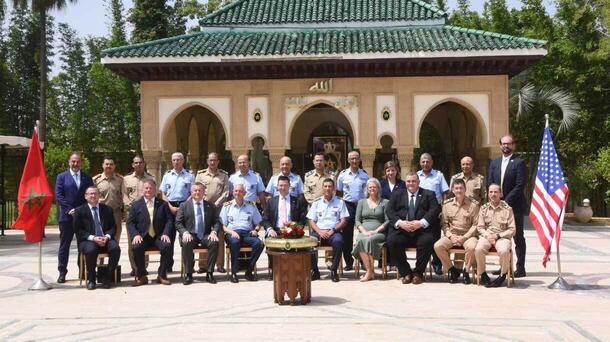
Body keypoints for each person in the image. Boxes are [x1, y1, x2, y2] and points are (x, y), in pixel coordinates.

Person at [386, 172, 440, 285]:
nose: (411, 183)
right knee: (392, 240)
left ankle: (418, 274)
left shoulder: (428, 194)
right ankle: (405, 272)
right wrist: (400, 223)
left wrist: (421, 223)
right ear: (405, 183)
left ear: (418, 182)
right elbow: (389, 211)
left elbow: (434, 210)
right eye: (408, 181)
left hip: (421, 230)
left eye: (413, 181)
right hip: (402, 230)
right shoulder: (397, 194)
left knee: (427, 241)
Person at [488, 134, 526, 278]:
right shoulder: (494, 163)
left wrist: (506, 201)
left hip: (514, 206)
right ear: (500, 145)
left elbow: (520, 185)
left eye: (509, 144)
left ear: (513, 145)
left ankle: (520, 268)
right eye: (503, 143)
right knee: (500, 237)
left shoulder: (519, 162)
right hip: (497, 207)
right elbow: (490, 182)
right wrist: (495, 200)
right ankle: (503, 267)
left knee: (518, 237)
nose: (506, 146)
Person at [54, 152, 94, 283]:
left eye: (78, 161)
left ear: (80, 163)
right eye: (73, 161)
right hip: (66, 217)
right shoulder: (62, 177)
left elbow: (90, 195)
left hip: (83, 218)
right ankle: (62, 272)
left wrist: (81, 211)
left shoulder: (87, 178)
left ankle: (83, 271)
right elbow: (59, 196)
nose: (75, 164)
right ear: (69, 162)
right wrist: (69, 209)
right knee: (64, 245)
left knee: (83, 245)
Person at [127, 179, 173, 286]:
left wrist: (166, 233)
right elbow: (130, 223)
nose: (149, 190)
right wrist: (136, 235)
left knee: (167, 246)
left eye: (151, 188)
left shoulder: (163, 204)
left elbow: (169, 221)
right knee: (136, 247)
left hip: (158, 236)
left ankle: (162, 275)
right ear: (142, 189)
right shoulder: (135, 205)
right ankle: (142, 276)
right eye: (146, 188)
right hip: (143, 236)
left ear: (155, 189)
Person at [73, 187, 121, 290]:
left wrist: (107, 237)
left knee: (115, 248)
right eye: (90, 194)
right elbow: (78, 230)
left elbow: (113, 227)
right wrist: (93, 238)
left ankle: (107, 277)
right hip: (88, 240)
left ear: (99, 195)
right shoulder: (79, 211)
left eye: (95, 193)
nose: (93, 196)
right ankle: (91, 279)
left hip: (105, 238)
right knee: (91, 250)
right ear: (85, 196)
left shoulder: (107, 209)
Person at [433, 179, 479, 284]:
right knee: (438, 246)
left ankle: (466, 271)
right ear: (453, 190)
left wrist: (465, 237)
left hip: (468, 235)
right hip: (452, 235)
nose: (459, 190)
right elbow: (444, 224)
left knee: (472, 247)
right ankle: (452, 269)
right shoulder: (447, 204)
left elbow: (476, 224)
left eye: (461, 188)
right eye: (456, 188)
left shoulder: (474, 205)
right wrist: (450, 236)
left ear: (465, 189)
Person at [261, 175, 307, 279]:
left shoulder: (297, 201)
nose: (283, 188)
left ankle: (294, 270)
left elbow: (303, 219)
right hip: (276, 230)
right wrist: (270, 229)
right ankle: (274, 270)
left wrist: (296, 229)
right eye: (280, 185)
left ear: (289, 186)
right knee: (270, 242)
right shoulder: (271, 201)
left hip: (292, 230)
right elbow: (265, 219)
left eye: (285, 185)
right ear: (277, 187)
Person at [175, 182, 221, 285]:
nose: (197, 192)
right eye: (195, 190)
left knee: (214, 243)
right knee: (186, 243)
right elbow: (178, 222)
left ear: (204, 192)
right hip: (190, 234)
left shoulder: (210, 205)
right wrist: (184, 233)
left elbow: (217, 222)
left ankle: (209, 273)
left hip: (205, 234)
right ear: (191, 192)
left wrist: (214, 232)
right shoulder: (184, 206)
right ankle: (188, 274)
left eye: (199, 190)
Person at [307, 178, 349, 282]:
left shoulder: (340, 202)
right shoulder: (316, 203)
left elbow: (344, 221)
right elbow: (311, 220)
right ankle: (315, 271)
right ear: (322, 188)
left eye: (330, 186)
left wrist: (333, 230)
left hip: (333, 232)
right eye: (325, 186)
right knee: (309, 242)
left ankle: (334, 270)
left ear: (334, 188)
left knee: (339, 242)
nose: (327, 188)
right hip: (319, 231)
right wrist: (319, 231)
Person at [220, 183, 263, 283]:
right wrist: (231, 232)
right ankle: (234, 273)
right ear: (233, 192)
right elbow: (223, 226)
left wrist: (255, 230)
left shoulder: (251, 205)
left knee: (259, 243)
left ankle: (249, 271)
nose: (238, 193)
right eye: (236, 191)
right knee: (235, 243)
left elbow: (258, 223)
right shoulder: (227, 206)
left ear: (244, 193)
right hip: (232, 233)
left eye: (240, 191)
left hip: (247, 233)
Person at [475, 184, 516, 287]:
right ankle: (483, 274)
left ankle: (502, 275)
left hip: (502, 237)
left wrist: (498, 236)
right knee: (478, 249)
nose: (493, 194)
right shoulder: (483, 208)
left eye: (496, 192)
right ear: (488, 194)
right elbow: (480, 227)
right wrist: (487, 235)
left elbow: (512, 229)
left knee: (503, 251)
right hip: (487, 236)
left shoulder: (507, 209)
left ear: (501, 194)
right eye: (491, 192)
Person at [195, 152, 229, 274]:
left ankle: (219, 265)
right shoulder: (200, 175)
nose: (213, 162)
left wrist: (216, 204)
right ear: (207, 161)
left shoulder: (224, 175)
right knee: (203, 233)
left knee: (219, 235)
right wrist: (204, 203)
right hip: (203, 208)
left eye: (215, 160)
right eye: (211, 160)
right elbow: (197, 189)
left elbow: (226, 192)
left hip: (218, 209)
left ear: (218, 161)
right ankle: (203, 265)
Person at [160, 152, 194, 271]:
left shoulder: (189, 176)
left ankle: (188, 265)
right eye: (174, 160)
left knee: (186, 236)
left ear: (183, 160)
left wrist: (183, 207)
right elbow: (163, 193)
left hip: (185, 206)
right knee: (169, 236)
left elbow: (193, 193)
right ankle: (168, 265)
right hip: (170, 206)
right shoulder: (167, 176)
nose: (176, 162)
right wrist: (170, 206)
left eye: (178, 159)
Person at [122, 155, 156, 276]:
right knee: (133, 241)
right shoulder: (126, 179)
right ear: (132, 164)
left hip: (147, 213)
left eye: (140, 162)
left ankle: (144, 266)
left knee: (146, 238)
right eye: (136, 163)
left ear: (144, 164)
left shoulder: (151, 178)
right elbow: (124, 195)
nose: (138, 165)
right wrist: (132, 206)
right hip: (131, 213)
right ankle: (135, 267)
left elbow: (154, 194)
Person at [417, 153, 449, 275]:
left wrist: (444, 211)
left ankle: (437, 264)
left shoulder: (438, 175)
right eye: (423, 161)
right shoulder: (417, 176)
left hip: (435, 211)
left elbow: (445, 193)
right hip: (420, 212)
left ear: (432, 162)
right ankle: (421, 264)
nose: (425, 164)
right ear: (420, 163)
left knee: (436, 239)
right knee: (422, 239)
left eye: (428, 161)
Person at [336, 150, 369, 270]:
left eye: (356, 158)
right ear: (348, 160)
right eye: (352, 159)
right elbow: (339, 191)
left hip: (361, 205)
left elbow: (368, 192)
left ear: (359, 159)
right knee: (347, 235)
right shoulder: (343, 175)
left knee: (363, 234)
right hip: (347, 205)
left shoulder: (365, 175)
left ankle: (363, 261)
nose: (354, 161)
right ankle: (349, 262)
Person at [352, 178, 388, 282]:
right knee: (363, 239)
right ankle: (370, 271)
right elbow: (357, 220)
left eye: (374, 187)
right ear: (367, 189)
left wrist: (375, 231)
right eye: (370, 187)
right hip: (364, 232)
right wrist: (364, 232)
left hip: (379, 232)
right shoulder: (361, 202)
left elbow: (387, 221)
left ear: (378, 188)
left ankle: (369, 272)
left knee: (369, 240)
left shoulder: (385, 202)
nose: (372, 189)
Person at [93, 156, 123, 242]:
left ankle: (114, 255)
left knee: (116, 239)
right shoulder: (96, 180)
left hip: (116, 213)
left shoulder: (120, 180)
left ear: (114, 166)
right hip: (101, 213)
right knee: (101, 239)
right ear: (102, 165)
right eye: (106, 164)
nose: (109, 166)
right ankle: (101, 256)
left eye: (111, 164)